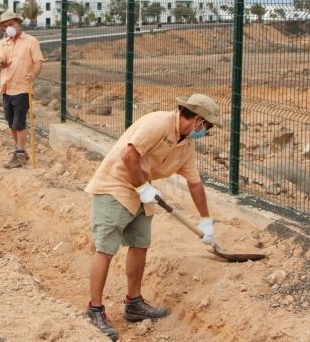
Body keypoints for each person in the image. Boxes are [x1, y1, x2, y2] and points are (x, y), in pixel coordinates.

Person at [82, 94, 222, 341]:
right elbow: (128, 156)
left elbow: (195, 183)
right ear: (198, 119)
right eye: (207, 127)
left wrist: (206, 220)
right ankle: (94, 310)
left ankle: (134, 303)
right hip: (115, 186)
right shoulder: (159, 123)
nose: (206, 132)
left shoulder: (187, 145)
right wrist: (142, 187)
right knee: (106, 248)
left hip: (142, 191)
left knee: (140, 244)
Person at [0, 11, 44, 169]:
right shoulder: (3, 43)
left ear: (18, 23)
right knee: (11, 124)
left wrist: (33, 75)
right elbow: (0, 59)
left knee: (19, 123)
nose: (9, 27)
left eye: (11, 24)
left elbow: (38, 61)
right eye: (6, 25)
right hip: (7, 87)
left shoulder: (31, 41)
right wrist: (1, 62)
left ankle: (20, 153)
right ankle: (20, 151)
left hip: (22, 88)